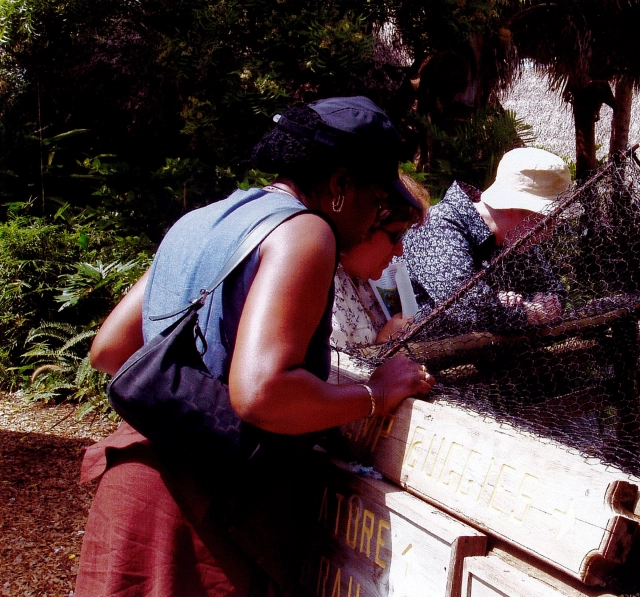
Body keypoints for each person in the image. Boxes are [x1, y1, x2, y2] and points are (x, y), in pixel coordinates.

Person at [75, 96, 436, 597]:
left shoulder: (204, 218)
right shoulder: (306, 231)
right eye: (377, 200)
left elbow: (111, 350)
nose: (376, 216)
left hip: (135, 483)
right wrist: (376, 394)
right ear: (339, 186)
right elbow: (263, 393)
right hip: (203, 514)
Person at [402, 147, 571, 333]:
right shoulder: (437, 226)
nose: (549, 233)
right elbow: (466, 310)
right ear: (513, 207)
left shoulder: (517, 237)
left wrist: (526, 304)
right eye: (547, 219)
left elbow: (554, 291)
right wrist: (528, 312)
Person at [331, 173, 429, 348]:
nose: (400, 250)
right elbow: (332, 364)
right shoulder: (324, 284)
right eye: (396, 236)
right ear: (365, 225)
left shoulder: (369, 279)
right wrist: (384, 347)